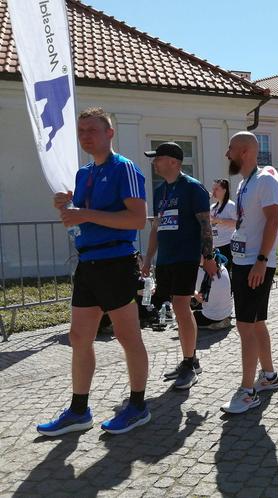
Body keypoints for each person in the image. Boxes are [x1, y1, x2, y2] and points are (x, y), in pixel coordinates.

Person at [38, 107, 150, 436]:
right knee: (78, 338)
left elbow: (137, 220)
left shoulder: (124, 168)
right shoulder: (83, 174)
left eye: (92, 130)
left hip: (116, 263)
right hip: (87, 263)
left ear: (109, 133)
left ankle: (138, 406)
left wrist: (84, 213)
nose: (85, 135)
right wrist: (67, 206)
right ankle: (78, 410)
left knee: (128, 337)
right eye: (81, 130)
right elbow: (84, 214)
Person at [141, 142, 215, 390]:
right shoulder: (160, 190)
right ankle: (190, 359)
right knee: (178, 307)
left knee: (182, 307)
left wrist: (209, 257)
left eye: (158, 158)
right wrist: (148, 259)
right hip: (165, 260)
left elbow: (205, 226)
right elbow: (156, 228)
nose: (154, 163)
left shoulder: (193, 188)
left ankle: (189, 363)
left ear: (173, 161)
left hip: (185, 257)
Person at [221, 132, 278, 414]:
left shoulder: (266, 180)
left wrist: (260, 260)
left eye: (230, 148)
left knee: (245, 326)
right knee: (256, 323)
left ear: (244, 151)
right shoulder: (244, 182)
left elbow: (273, 220)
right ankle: (268, 376)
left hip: (255, 264)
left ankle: (247, 392)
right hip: (243, 260)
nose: (227, 154)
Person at [193, 253, 233, 329]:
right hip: (227, 313)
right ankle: (223, 320)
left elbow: (200, 298)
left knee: (186, 316)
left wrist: (194, 294)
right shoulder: (222, 266)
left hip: (211, 317)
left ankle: (214, 324)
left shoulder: (199, 271)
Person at [210, 179, 237, 273]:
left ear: (224, 190)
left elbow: (237, 223)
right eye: (213, 189)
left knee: (227, 272)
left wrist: (219, 220)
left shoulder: (231, 205)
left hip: (228, 244)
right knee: (218, 273)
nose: (213, 192)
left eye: (216, 189)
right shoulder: (212, 207)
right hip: (216, 246)